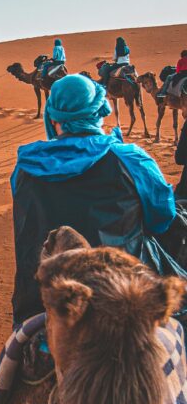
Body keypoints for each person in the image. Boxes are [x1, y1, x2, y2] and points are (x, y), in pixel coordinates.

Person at [11, 73, 183, 325]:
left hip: (39, 299)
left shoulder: (26, 166)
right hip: (121, 293)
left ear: (52, 115)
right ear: (100, 110)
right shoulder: (130, 159)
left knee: (12, 357)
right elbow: (162, 219)